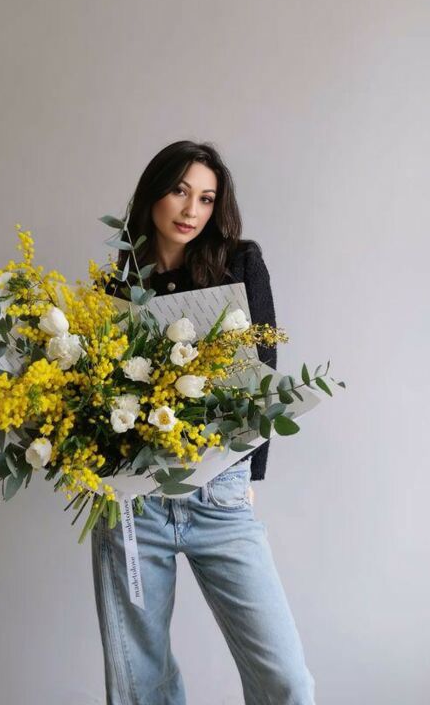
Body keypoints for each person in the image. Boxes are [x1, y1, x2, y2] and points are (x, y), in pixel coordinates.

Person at [92, 140, 316, 705]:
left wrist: (247, 474)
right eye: (180, 191)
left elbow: (262, 375)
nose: (192, 210)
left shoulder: (239, 262)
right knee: (140, 687)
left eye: (207, 198)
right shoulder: (113, 284)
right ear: (153, 194)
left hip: (220, 493)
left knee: (286, 682)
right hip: (134, 502)